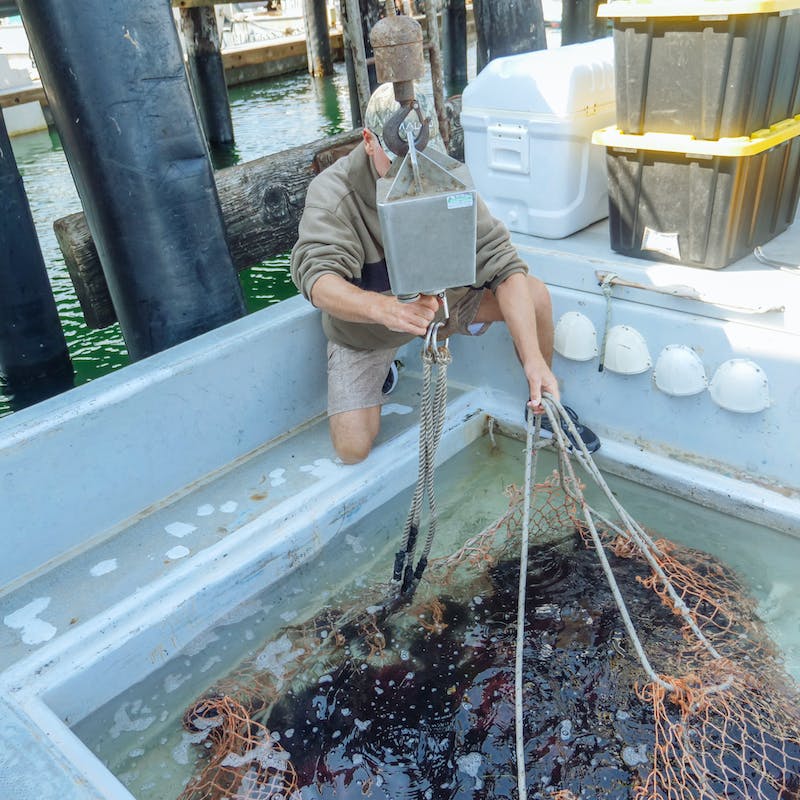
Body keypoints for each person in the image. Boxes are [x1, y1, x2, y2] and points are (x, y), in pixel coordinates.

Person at [290, 84, 599, 464]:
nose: (412, 174)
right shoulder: (333, 192)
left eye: (420, 157)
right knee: (352, 449)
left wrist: (532, 358)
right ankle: (385, 367)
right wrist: (384, 311)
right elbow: (317, 278)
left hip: (442, 303)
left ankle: (544, 402)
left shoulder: (443, 172)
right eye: (397, 163)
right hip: (370, 324)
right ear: (368, 142)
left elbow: (501, 260)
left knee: (534, 295)